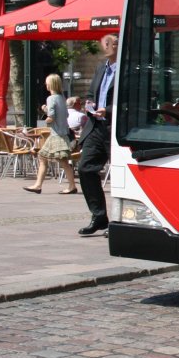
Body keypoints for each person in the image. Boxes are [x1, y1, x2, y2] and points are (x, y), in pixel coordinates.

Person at [76, 34, 117, 236]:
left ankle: (120, 221)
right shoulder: (101, 67)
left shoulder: (127, 69)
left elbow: (131, 101)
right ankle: (99, 216)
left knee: (119, 176)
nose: (107, 46)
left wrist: (108, 110)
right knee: (85, 168)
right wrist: (89, 103)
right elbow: (92, 93)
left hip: (115, 128)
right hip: (95, 127)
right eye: (105, 43)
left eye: (112, 43)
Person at [23, 74, 78, 194]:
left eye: (47, 82)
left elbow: (51, 117)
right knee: (47, 157)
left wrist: (44, 121)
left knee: (58, 160)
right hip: (63, 133)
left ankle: (70, 186)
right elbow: (64, 115)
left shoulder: (51, 98)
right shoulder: (62, 98)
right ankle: (39, 185)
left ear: (51, 84)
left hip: (56, 134)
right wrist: (46, 109)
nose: (46, 85)